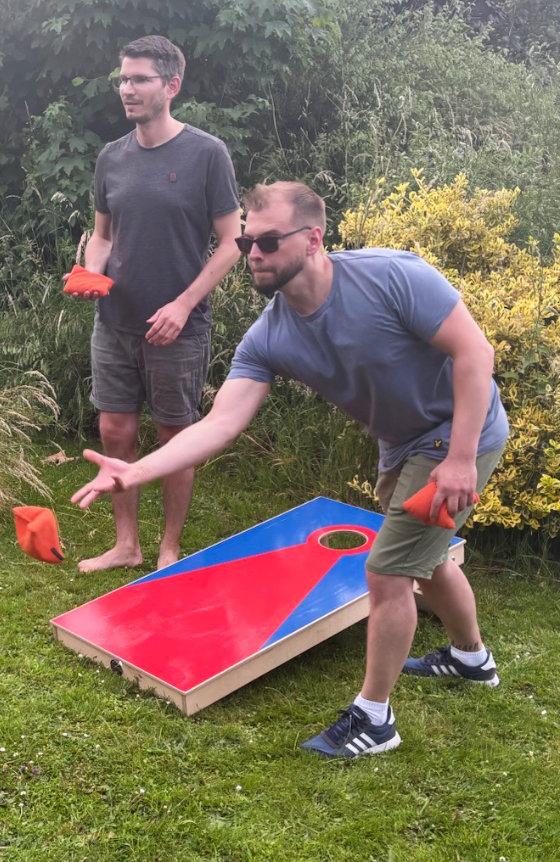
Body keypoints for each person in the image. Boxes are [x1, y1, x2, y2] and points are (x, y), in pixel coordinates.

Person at [71, 181, 510, 758]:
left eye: (268, 242)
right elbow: (218, 424)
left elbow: (476, 353)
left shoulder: (391, 276)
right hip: (402, 443)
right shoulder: (267, 337)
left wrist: (458, 459)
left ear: (313, 240)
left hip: (460, 434)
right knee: (420, 557)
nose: (252, 254)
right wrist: (134, 472)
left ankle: (374, 720)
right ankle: (470, 659)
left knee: (388, 571)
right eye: (246, 241)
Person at [67, 35, 242, 573]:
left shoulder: (206, 153)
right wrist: (92, 270)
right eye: (123, 79)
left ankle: (168, 549)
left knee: (175, 437)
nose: (127, 89)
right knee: (115, 432)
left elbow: (233, 241)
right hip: (114, 321)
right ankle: (126, 545)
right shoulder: (111, 157)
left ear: (172, 85)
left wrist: (185, 305)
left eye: (139, 79)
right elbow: (102, 234)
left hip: (176, 326)